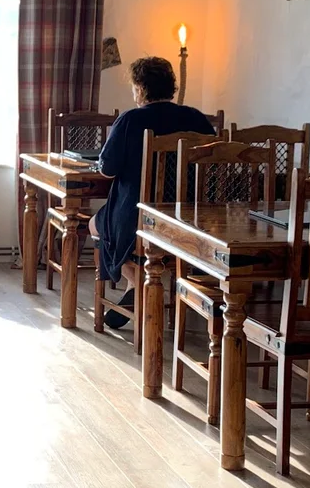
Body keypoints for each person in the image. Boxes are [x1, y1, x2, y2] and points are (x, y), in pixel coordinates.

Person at [88, 56, 217, 327]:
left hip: (138, 217)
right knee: (119, 225)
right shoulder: (195, 118)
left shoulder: (130, 120)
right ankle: (140, 286)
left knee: (94, 225)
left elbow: (107, 170)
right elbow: (214, 162)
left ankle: (136, 282)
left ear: (140, 88)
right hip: (187, 218)